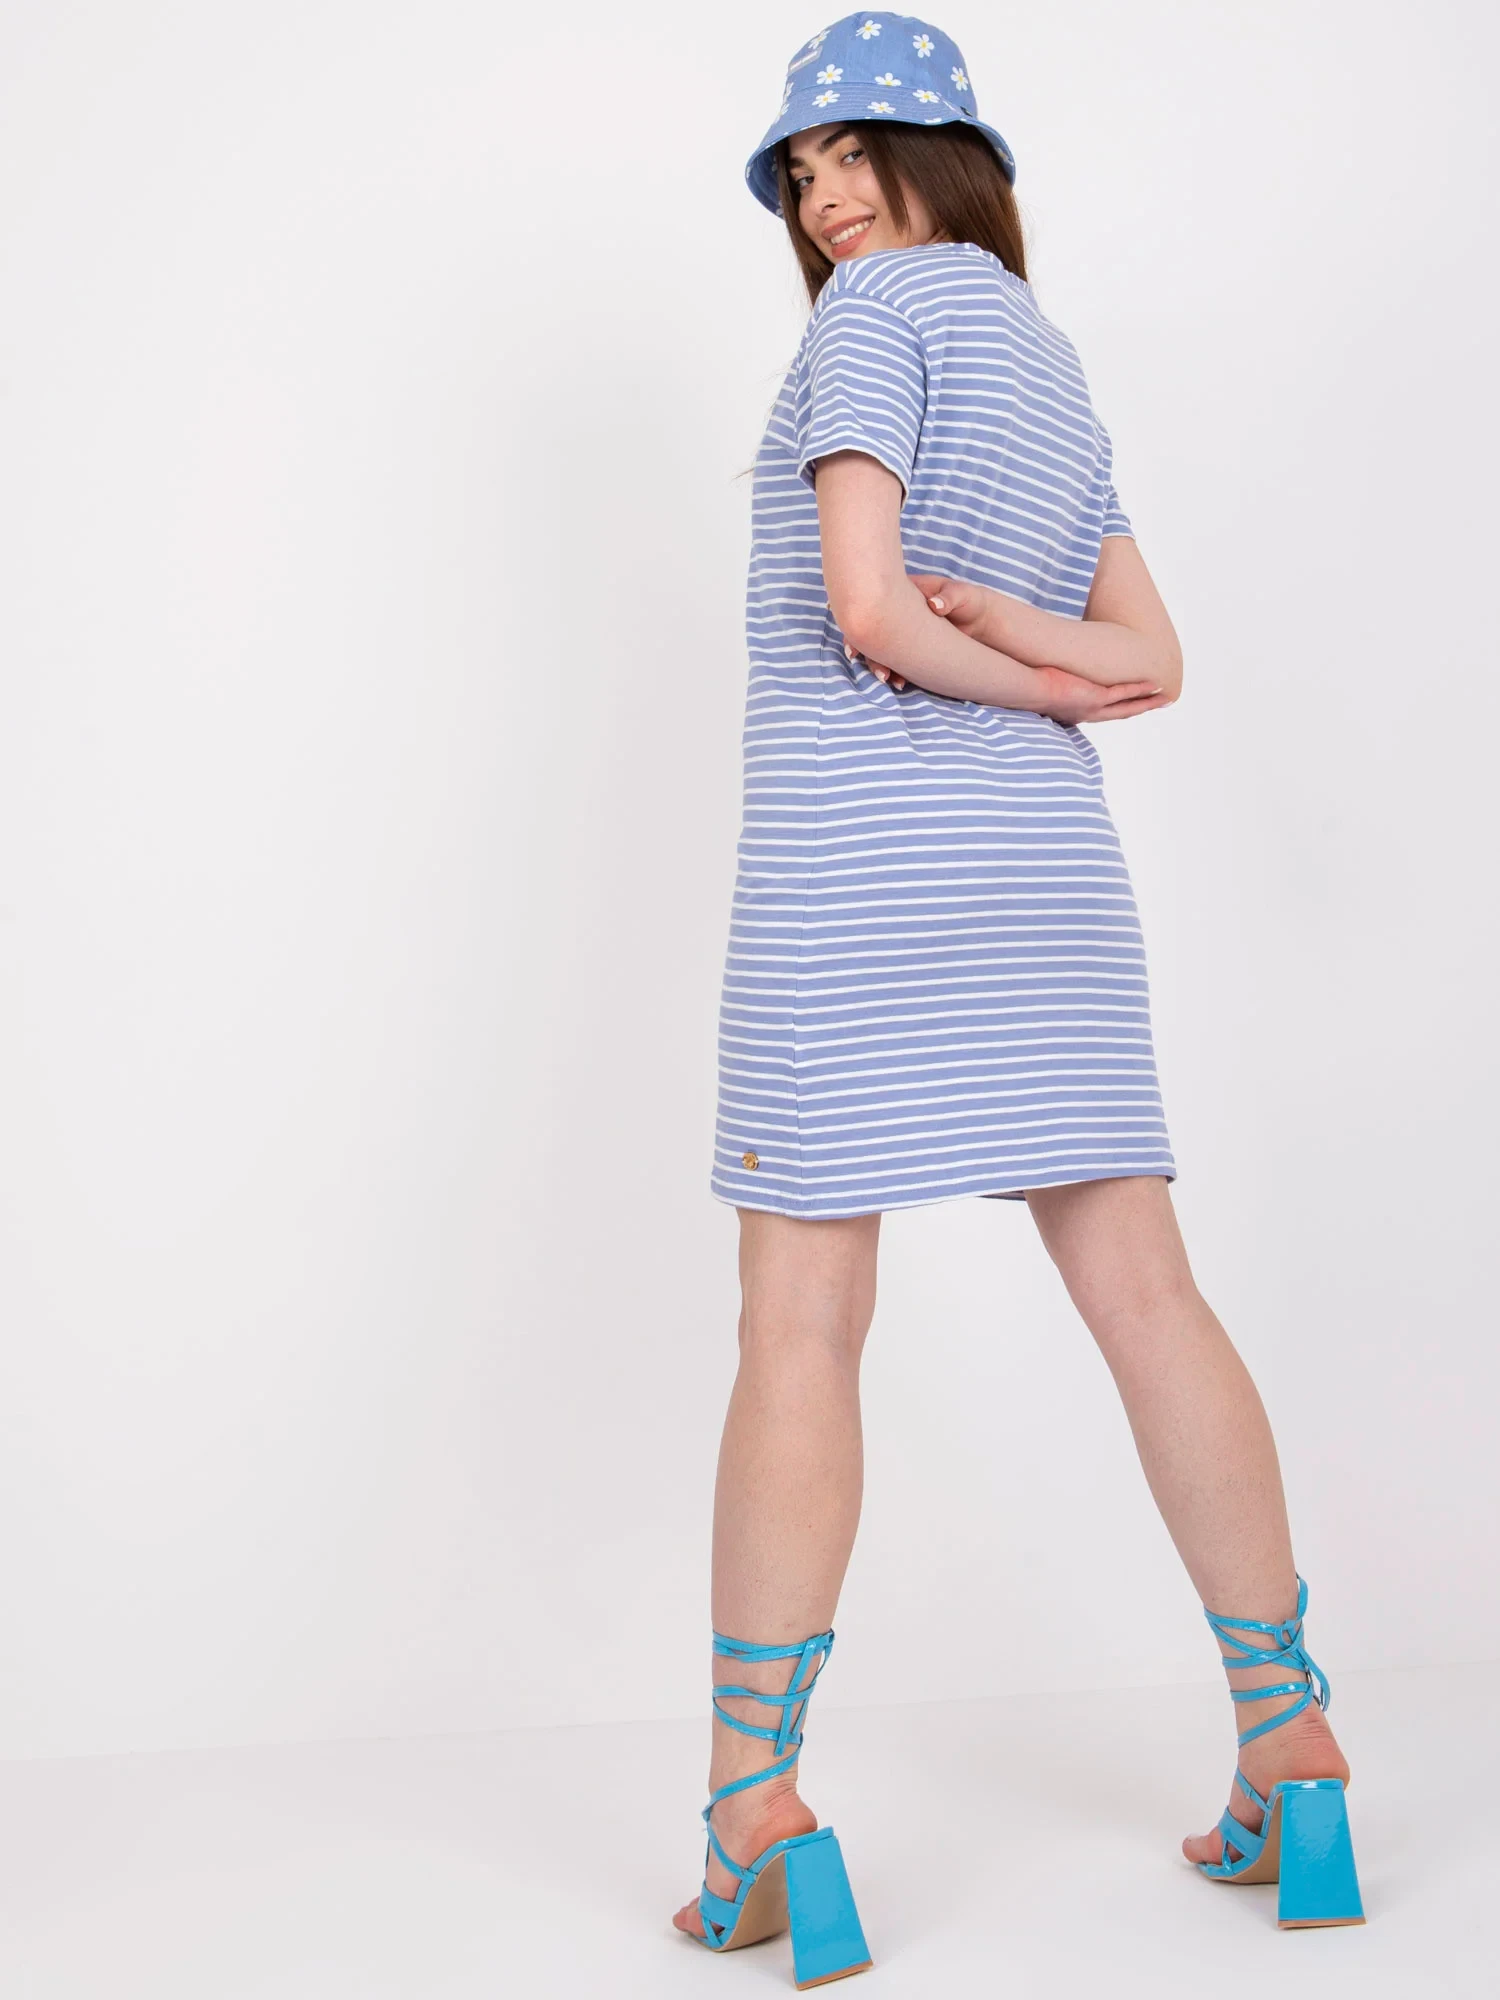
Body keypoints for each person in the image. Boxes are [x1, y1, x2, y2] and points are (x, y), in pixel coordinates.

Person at [675, 14, 1361, 1983]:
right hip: (1046, 878)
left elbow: (870, 609)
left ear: (941, 159)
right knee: (1149, 1293)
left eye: (853, 153)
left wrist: (992, 652)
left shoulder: (869, 324)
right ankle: (1293, 1746)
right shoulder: (1046, 363)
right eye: (802, 174)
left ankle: (753, 1816)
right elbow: (1149, 658)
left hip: (857, 869)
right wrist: (1049, 663)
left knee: (802, 1317)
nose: (825, 198)